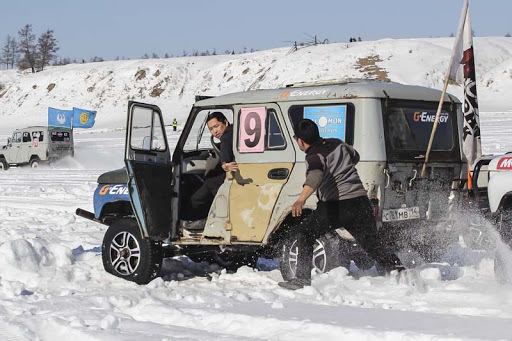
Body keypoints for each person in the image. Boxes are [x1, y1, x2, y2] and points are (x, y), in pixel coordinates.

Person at [278, 119, 404, 290]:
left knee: (304, 234)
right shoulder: (338, 144)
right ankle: (401, 272)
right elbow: (355, 156)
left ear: (300, 141)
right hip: (360, 203)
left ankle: (301, 280)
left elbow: (315, 175)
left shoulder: (314, 155)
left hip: (335, 206)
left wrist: (301, 200)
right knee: (372, 245)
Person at [189, 112, 237, 223]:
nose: (214, 131)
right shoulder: (235, 131)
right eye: (211, 129)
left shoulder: (227, 136)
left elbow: (225, 153)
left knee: (210, 184)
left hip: (234, 174)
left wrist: (225, 164)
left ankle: (198, 218)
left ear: (225, 122)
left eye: (216, 126)